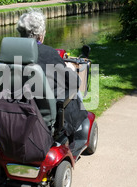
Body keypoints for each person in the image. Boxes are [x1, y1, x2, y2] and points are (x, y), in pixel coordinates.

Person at [16, 8, 88, 142]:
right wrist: (70, 69)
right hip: (45, 114)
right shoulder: (48, 54)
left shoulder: (11, 54)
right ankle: (75, 133)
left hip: (18, 110)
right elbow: (73, 83)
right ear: (41, 35)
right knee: (72, 91)